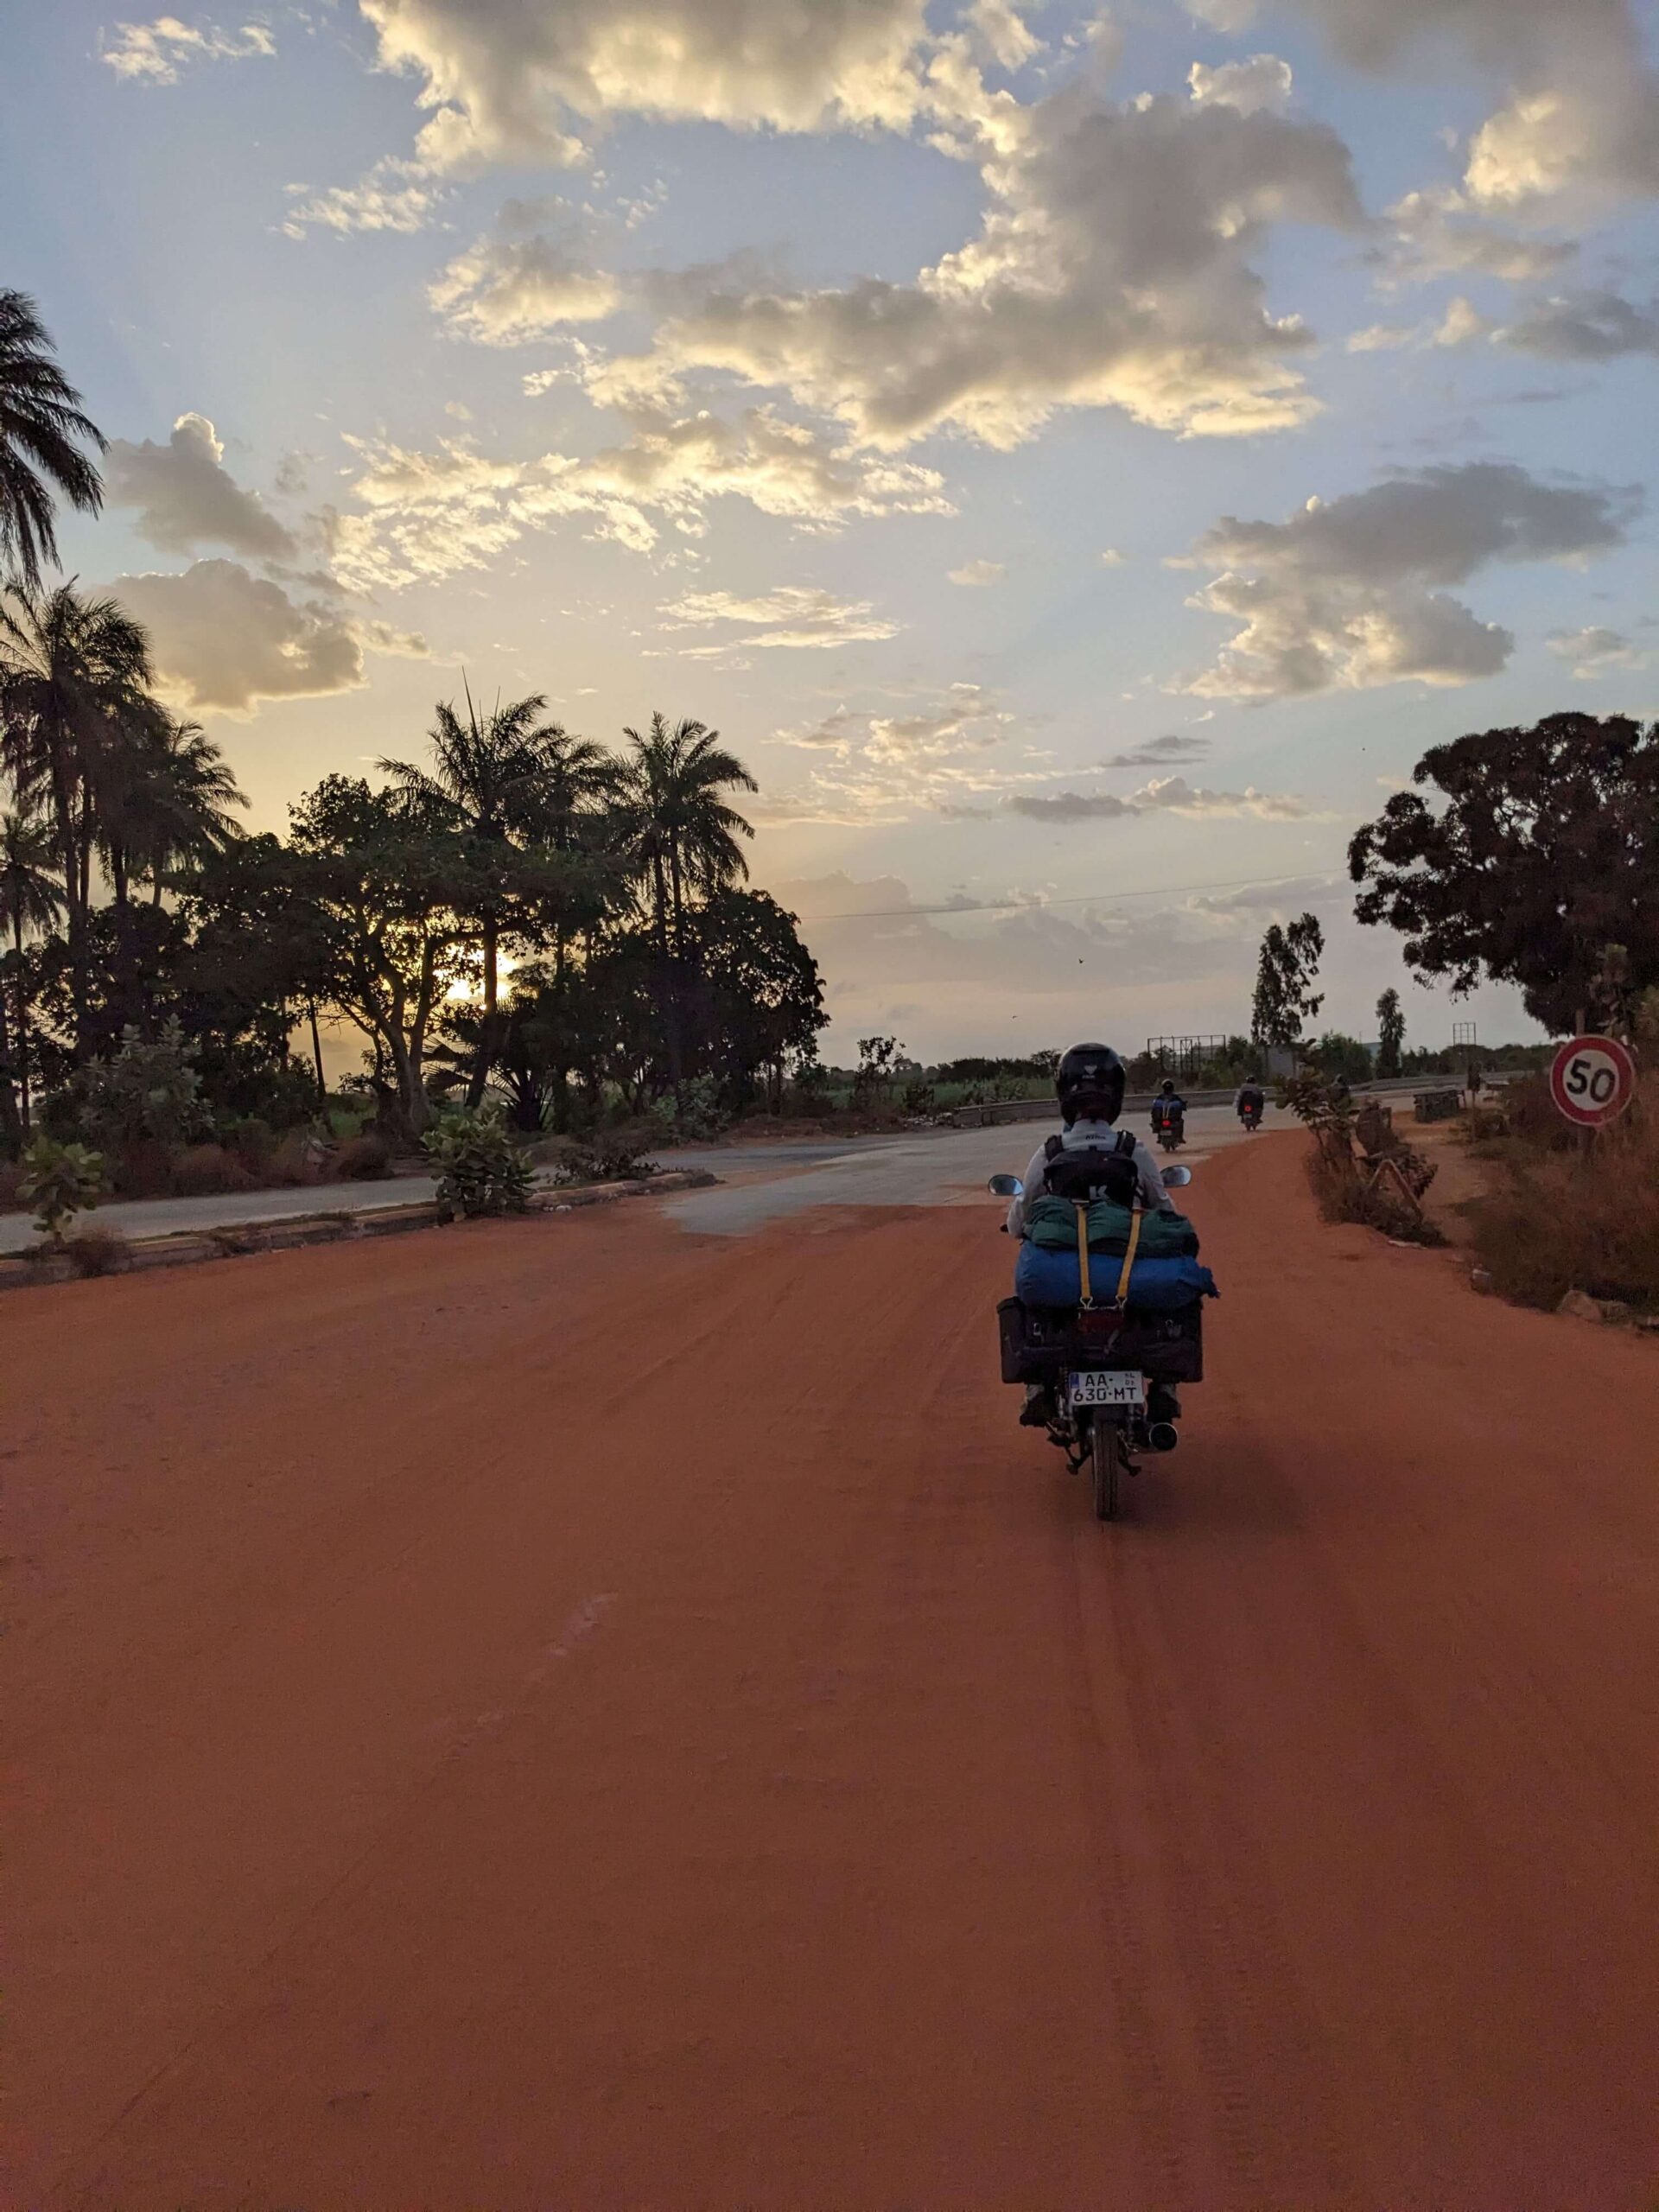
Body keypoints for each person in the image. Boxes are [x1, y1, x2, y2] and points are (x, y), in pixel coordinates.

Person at [1006, 1043, 1179, 1428]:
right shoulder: (1132, 1150)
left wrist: (1019, 1228)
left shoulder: (1050, 1151)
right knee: (1169, 1295)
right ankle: (1165, 1389)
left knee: (1029, 1295)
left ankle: (1036, 1389)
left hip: (1064, 1278)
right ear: (1115, 1093)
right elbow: (1163, 1208)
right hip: (1126, 1275)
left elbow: (1022, 1209)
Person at [1150, 1077, 1186, 1141]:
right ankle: (1180, 1138)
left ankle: (1161, 1137)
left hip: (1164, 1120)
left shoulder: (1160, 1097)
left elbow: (1154, 1108)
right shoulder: (1174, 1097)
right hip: (1170, 1120)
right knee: (1181, 1122)